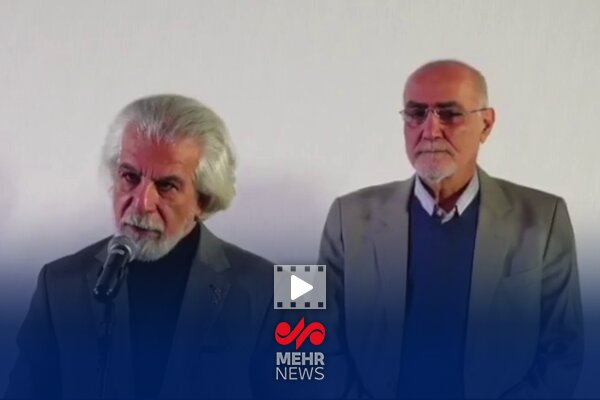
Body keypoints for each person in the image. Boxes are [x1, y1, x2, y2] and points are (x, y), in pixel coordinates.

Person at [318, 60, 584, 398]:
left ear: (486, 124)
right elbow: (305, 328)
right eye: (416, 113)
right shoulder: (347, 215)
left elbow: (564, 349)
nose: (430, 130)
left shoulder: (544, 218)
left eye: (450, 114)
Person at [5, 95, 273, 399]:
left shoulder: (272, 287)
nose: (142, 202)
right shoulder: (59, 285)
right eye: (130, 177)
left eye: (167, 186)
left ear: (203, 199)